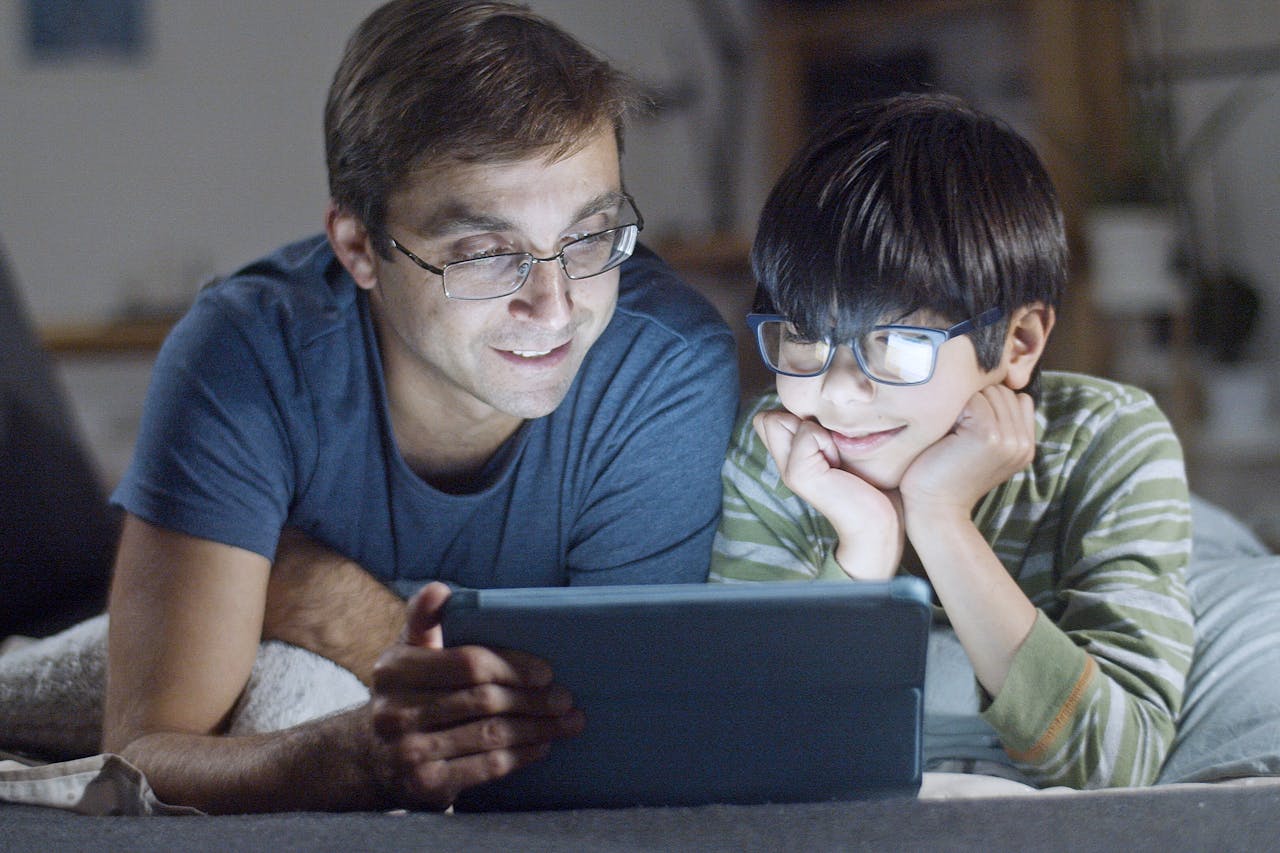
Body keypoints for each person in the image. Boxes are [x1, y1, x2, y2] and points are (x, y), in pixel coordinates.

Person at [101, 0, 738, 813]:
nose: (554, 306)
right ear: (359, 247)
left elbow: (608, 742)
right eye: (483, 253)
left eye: (589, 237)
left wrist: (323, 594)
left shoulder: (663, 365)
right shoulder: (242, 356)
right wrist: (348, 756)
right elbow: (141, 756)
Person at [710, 92, 1194, 789]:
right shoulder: (780, 453)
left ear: (1020, 342)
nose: (839, 393)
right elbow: (742, 745)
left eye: (900, 343)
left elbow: (1114, 762)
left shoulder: (1111, 440)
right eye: (805, 336)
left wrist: (940, 518)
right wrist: (863, 550)